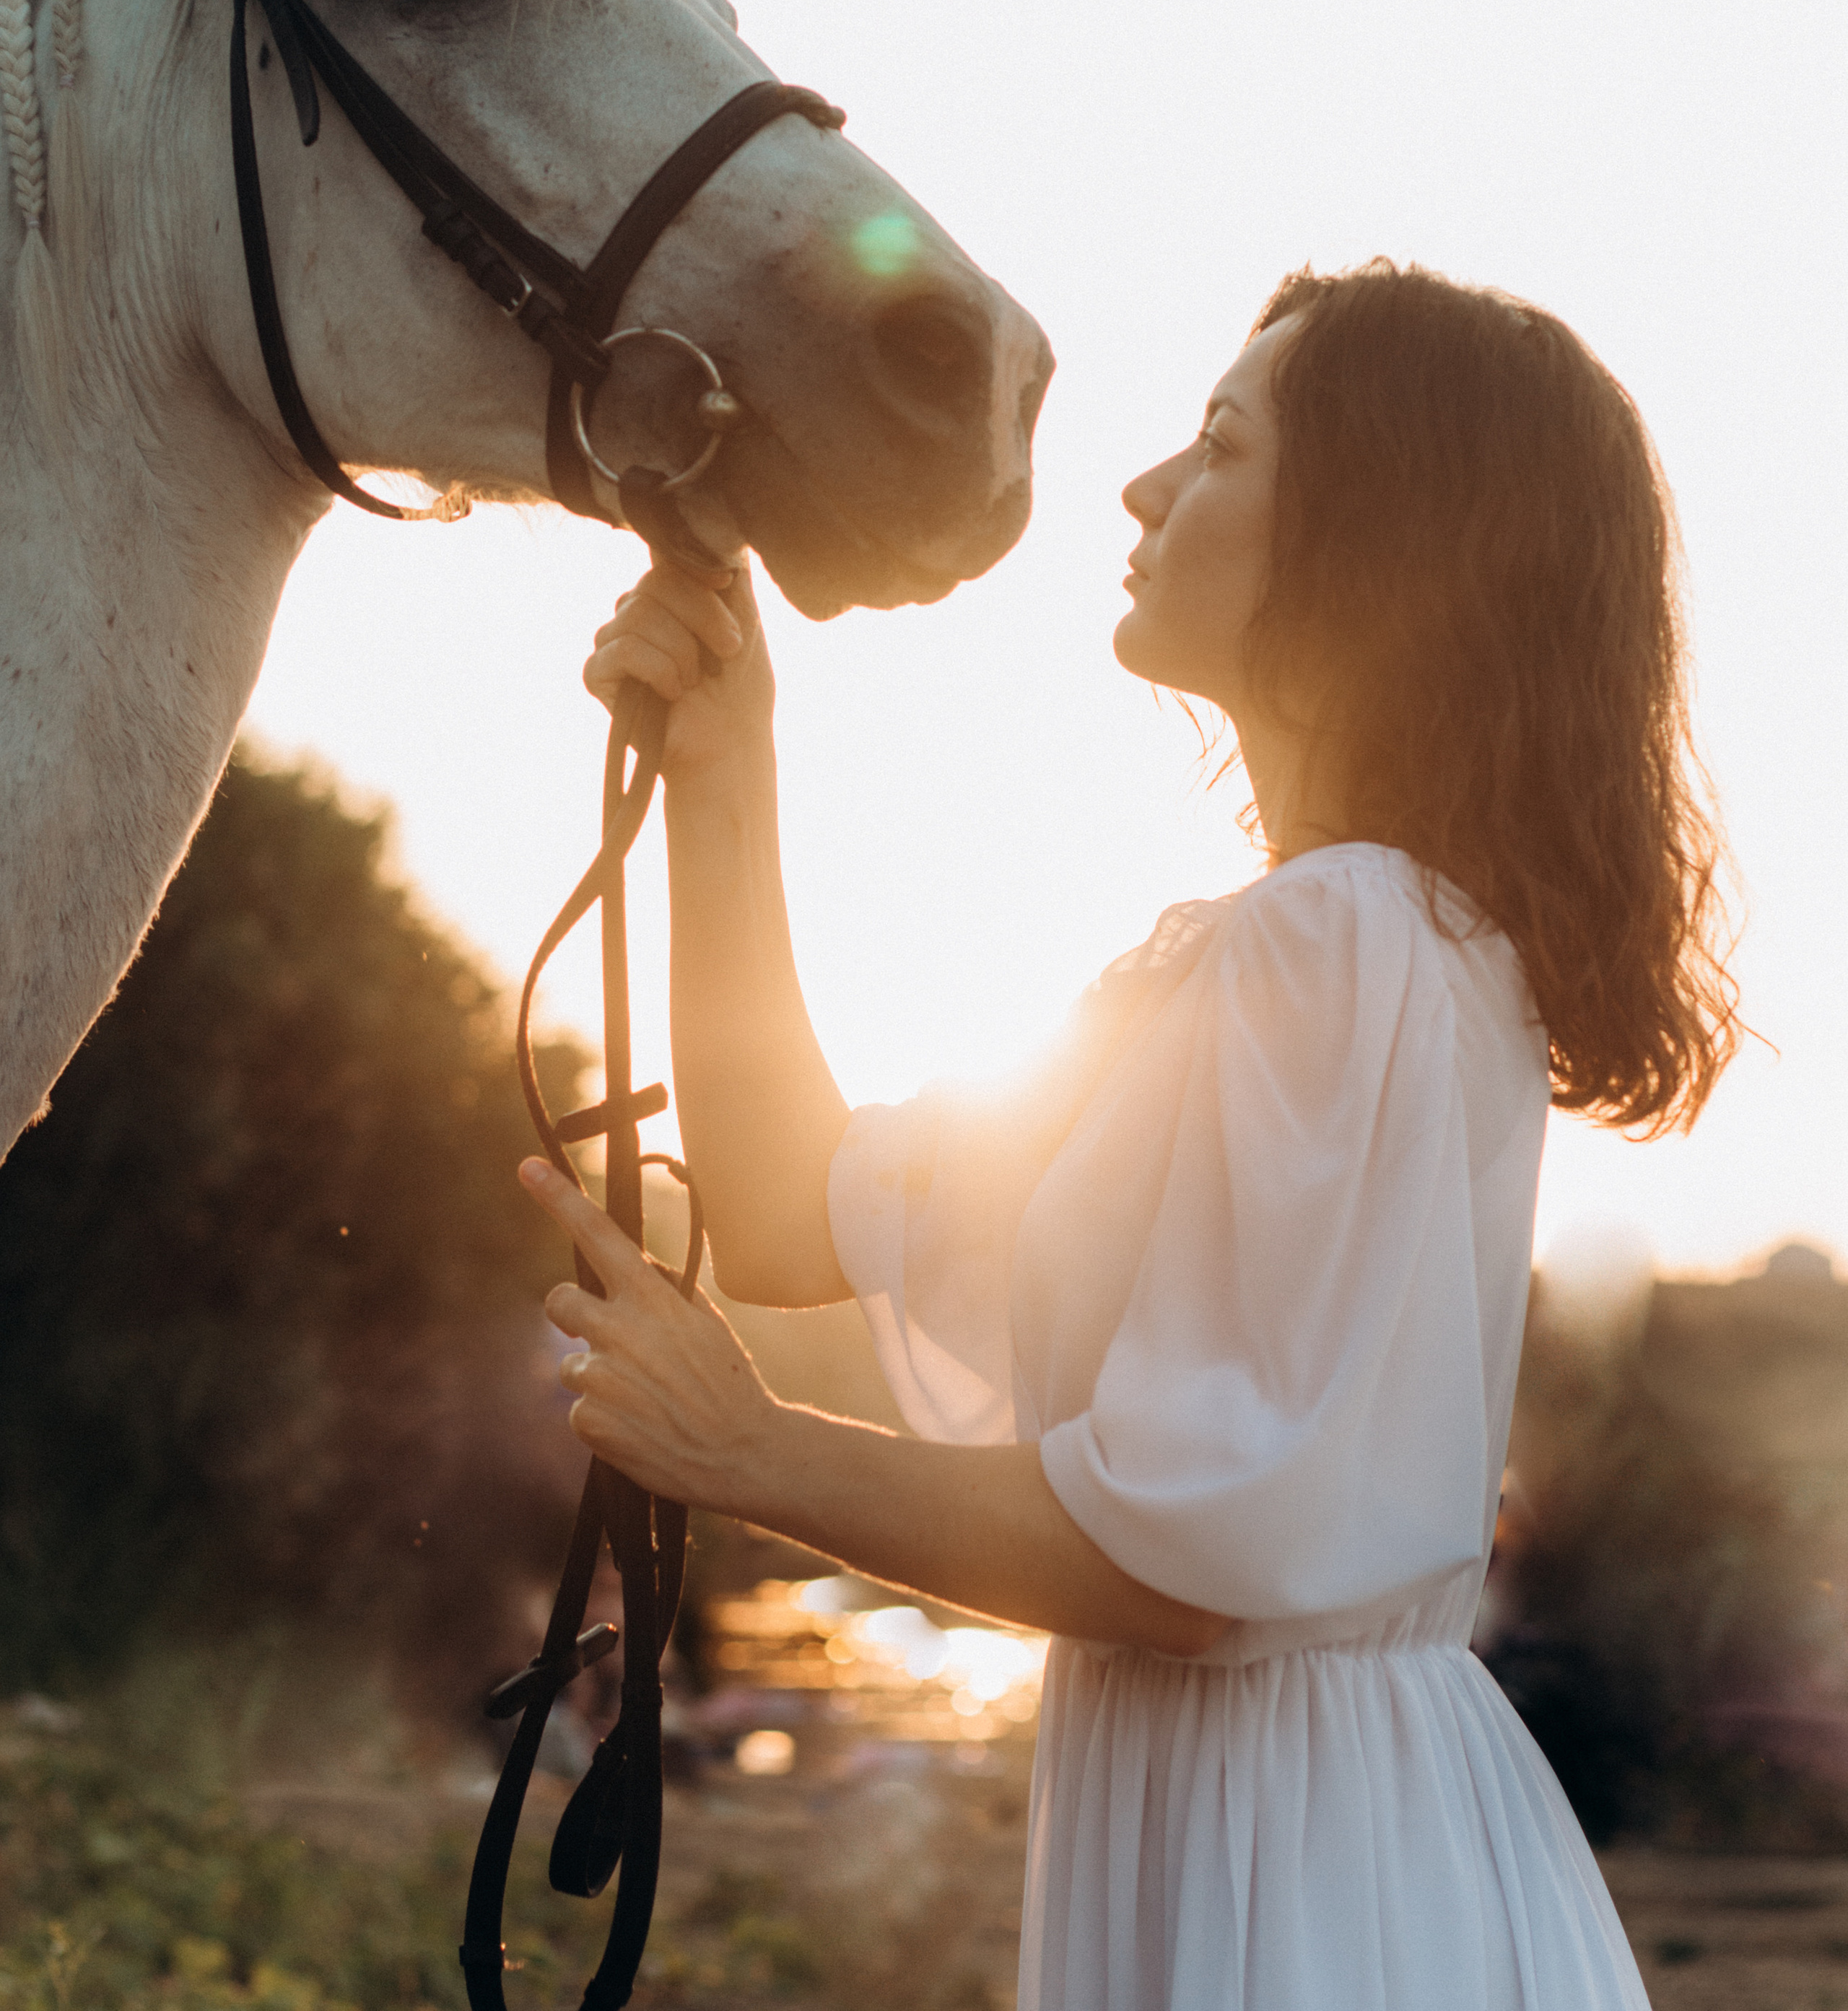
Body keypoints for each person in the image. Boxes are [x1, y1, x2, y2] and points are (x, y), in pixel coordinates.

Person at [519, 259, 1738, 2010]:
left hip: (1295, 1858)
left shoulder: (1343, 941)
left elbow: (1183, 1569)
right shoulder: (1296, 955)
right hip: (1283, 1814)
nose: (1142, 487)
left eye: (1220, 444)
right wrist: (729, 772)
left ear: (1373, 538)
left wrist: (752, 1451)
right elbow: (794, 1212)